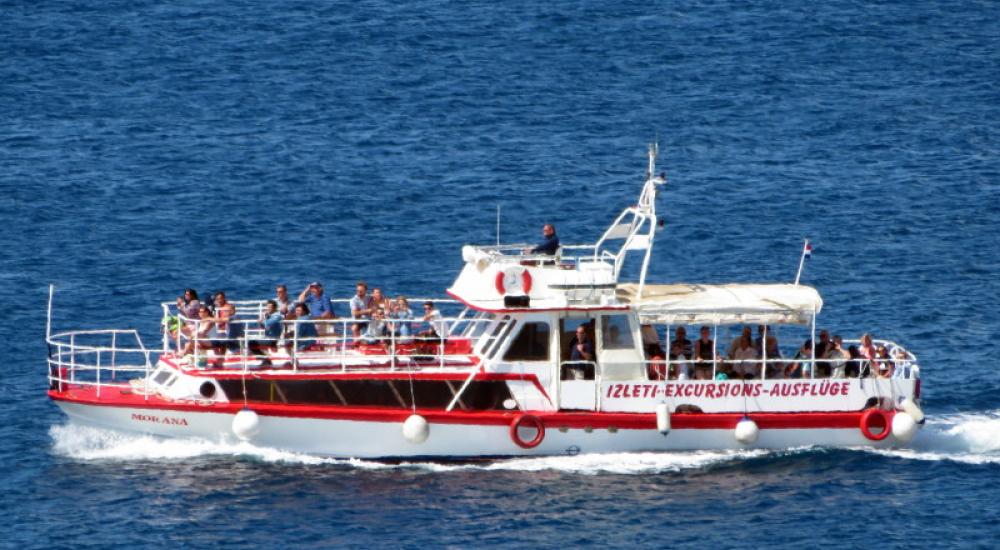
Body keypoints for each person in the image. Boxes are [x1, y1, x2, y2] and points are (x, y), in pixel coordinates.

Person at [250, 300, 283, 366]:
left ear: (274, 308)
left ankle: (266, 360)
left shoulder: (277, 316)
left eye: (270, 307)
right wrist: (260, 322)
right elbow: (263, 327)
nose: (268, 309)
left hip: (273, 339)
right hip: (268, 337)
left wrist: (264, 318)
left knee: (251, 343)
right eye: (267, 307)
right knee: (252, 342)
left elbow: (268, 324)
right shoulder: (270, 316)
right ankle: (265, 359)